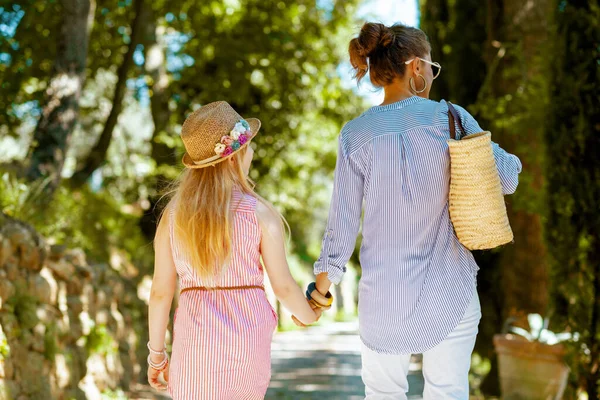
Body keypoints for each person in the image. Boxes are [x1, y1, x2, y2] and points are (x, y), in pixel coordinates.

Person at [307, 22, 523, 399]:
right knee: (447, 391)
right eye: (431, 67)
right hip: (450, 292)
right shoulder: (451, 119)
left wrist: (319, 293)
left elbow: (340, 231)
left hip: (382, 302)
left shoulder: (355, 134)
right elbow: (507, 179)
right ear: (416, 67)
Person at [146, 101, 318, 399]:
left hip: (194, 340)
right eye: (248, 145)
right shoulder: (259, 213)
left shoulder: (173, 216)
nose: (252, 151)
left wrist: (156, 355)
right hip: (247, 338)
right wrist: (310, 314)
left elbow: (160, 292)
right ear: (233, 158)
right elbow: (284, 287)